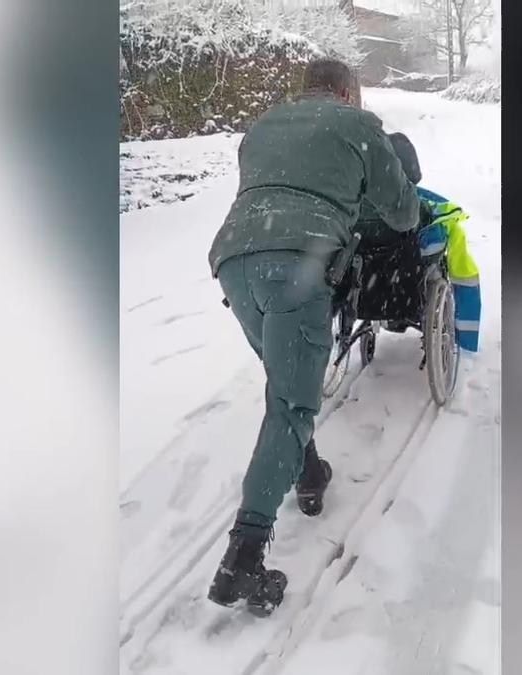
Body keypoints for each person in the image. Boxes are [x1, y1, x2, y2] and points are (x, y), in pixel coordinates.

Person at [205, 58, 420, 615]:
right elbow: (400, 214)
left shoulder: (262, 126)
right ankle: (244, 559)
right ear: (349, 92)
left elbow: (272, 194)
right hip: (298, 264)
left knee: (284, 384)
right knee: (292, 406)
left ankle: (308, 472)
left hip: (233, 261)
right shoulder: (358, 125)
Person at [354, 132, 482, 353]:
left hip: (363, 290)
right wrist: (466, 337)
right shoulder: (425, 209)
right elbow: (464, 275)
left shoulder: (353, 210)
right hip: (407, 290)